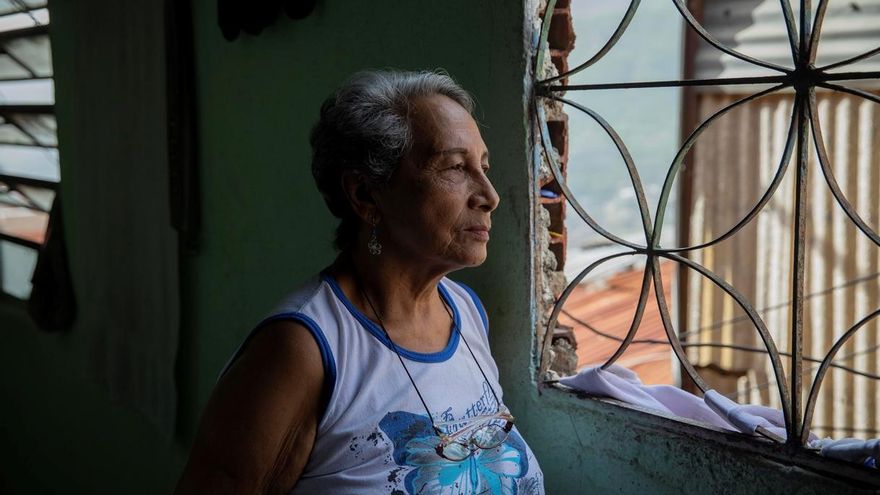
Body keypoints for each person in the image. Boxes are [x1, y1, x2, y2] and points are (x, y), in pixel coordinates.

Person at [175, 70, 545, 494]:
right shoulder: (304, 350)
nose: (490, 195)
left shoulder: (464, 311)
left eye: (483, 166)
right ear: (366, 195)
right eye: (456, 167)